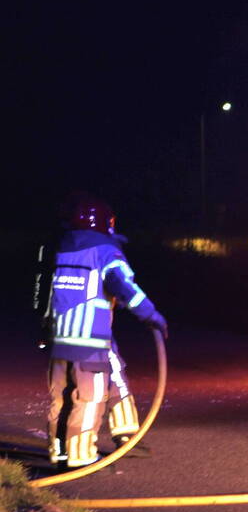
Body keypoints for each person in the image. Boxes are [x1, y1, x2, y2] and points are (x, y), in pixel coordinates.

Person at [43, 194, 168, 468]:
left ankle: (62, 451)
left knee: (63, 396)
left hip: (62, 340)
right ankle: (81, 455)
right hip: (91, 341)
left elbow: (45, 293)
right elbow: (124, 287)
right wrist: (151, 315)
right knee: (91, 397)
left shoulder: (60, 249)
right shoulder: (105, 252)